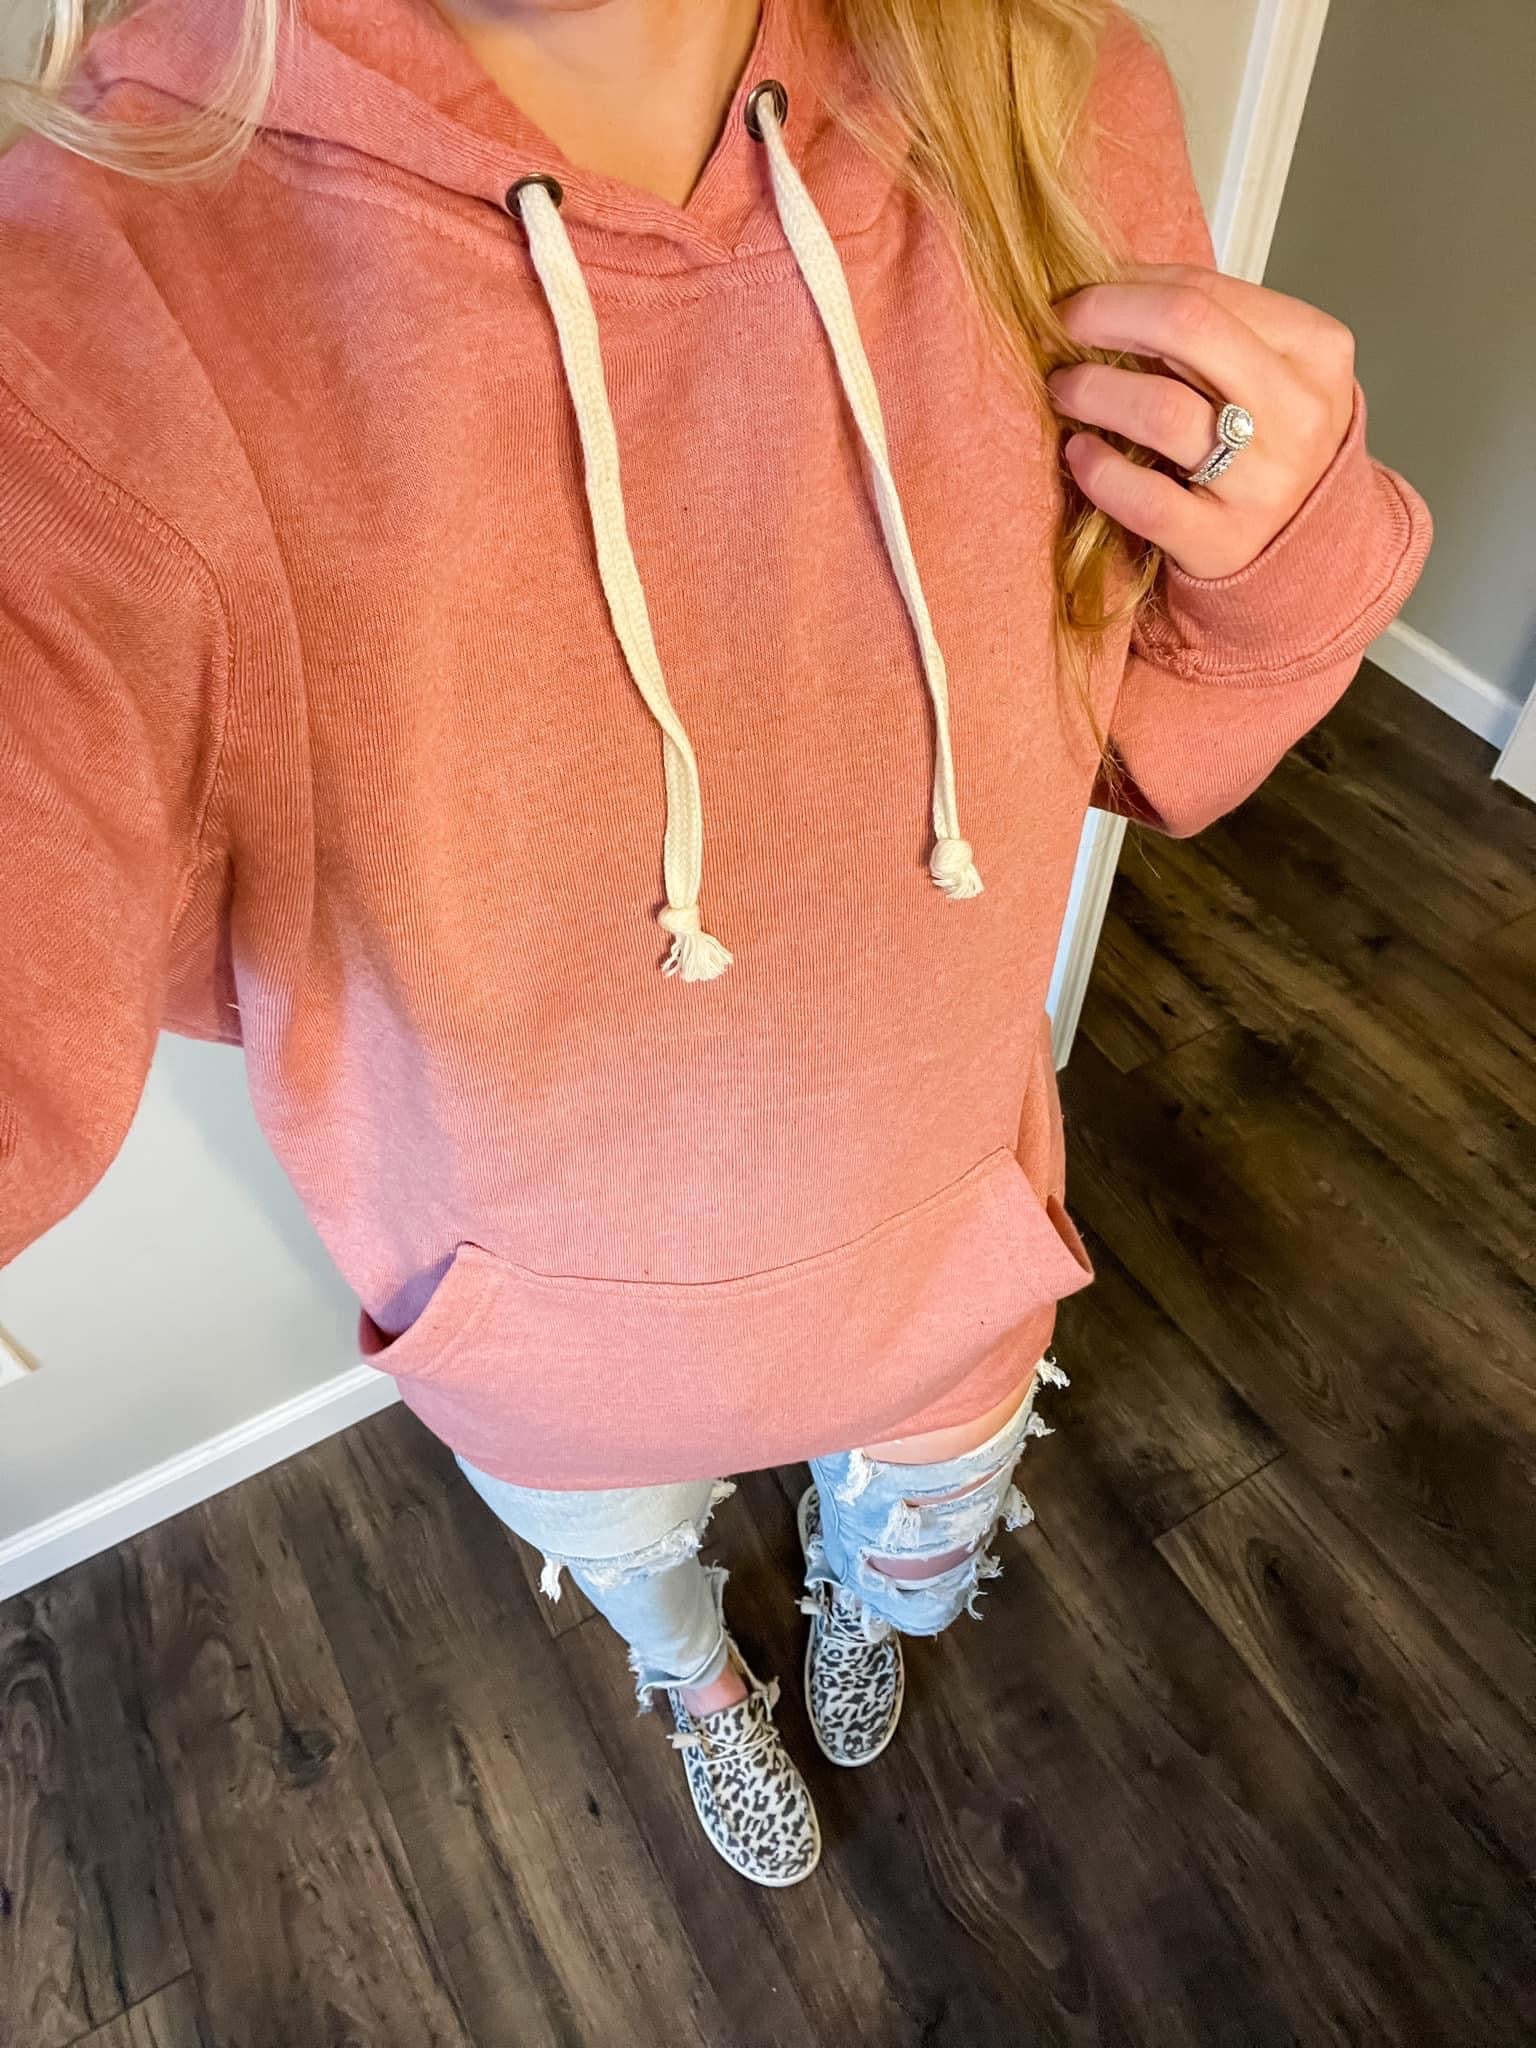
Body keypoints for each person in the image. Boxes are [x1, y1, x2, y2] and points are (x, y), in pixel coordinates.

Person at [0, 0, 1430, 1888]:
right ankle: (699, 1690)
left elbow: (1135, 726)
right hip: (545, 1355)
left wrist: (1285, 545)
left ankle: (861, 1594)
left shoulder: (1049, 100)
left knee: (917, 1550)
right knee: (642, 1580)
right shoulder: (86, 295)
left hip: (949, 1269)